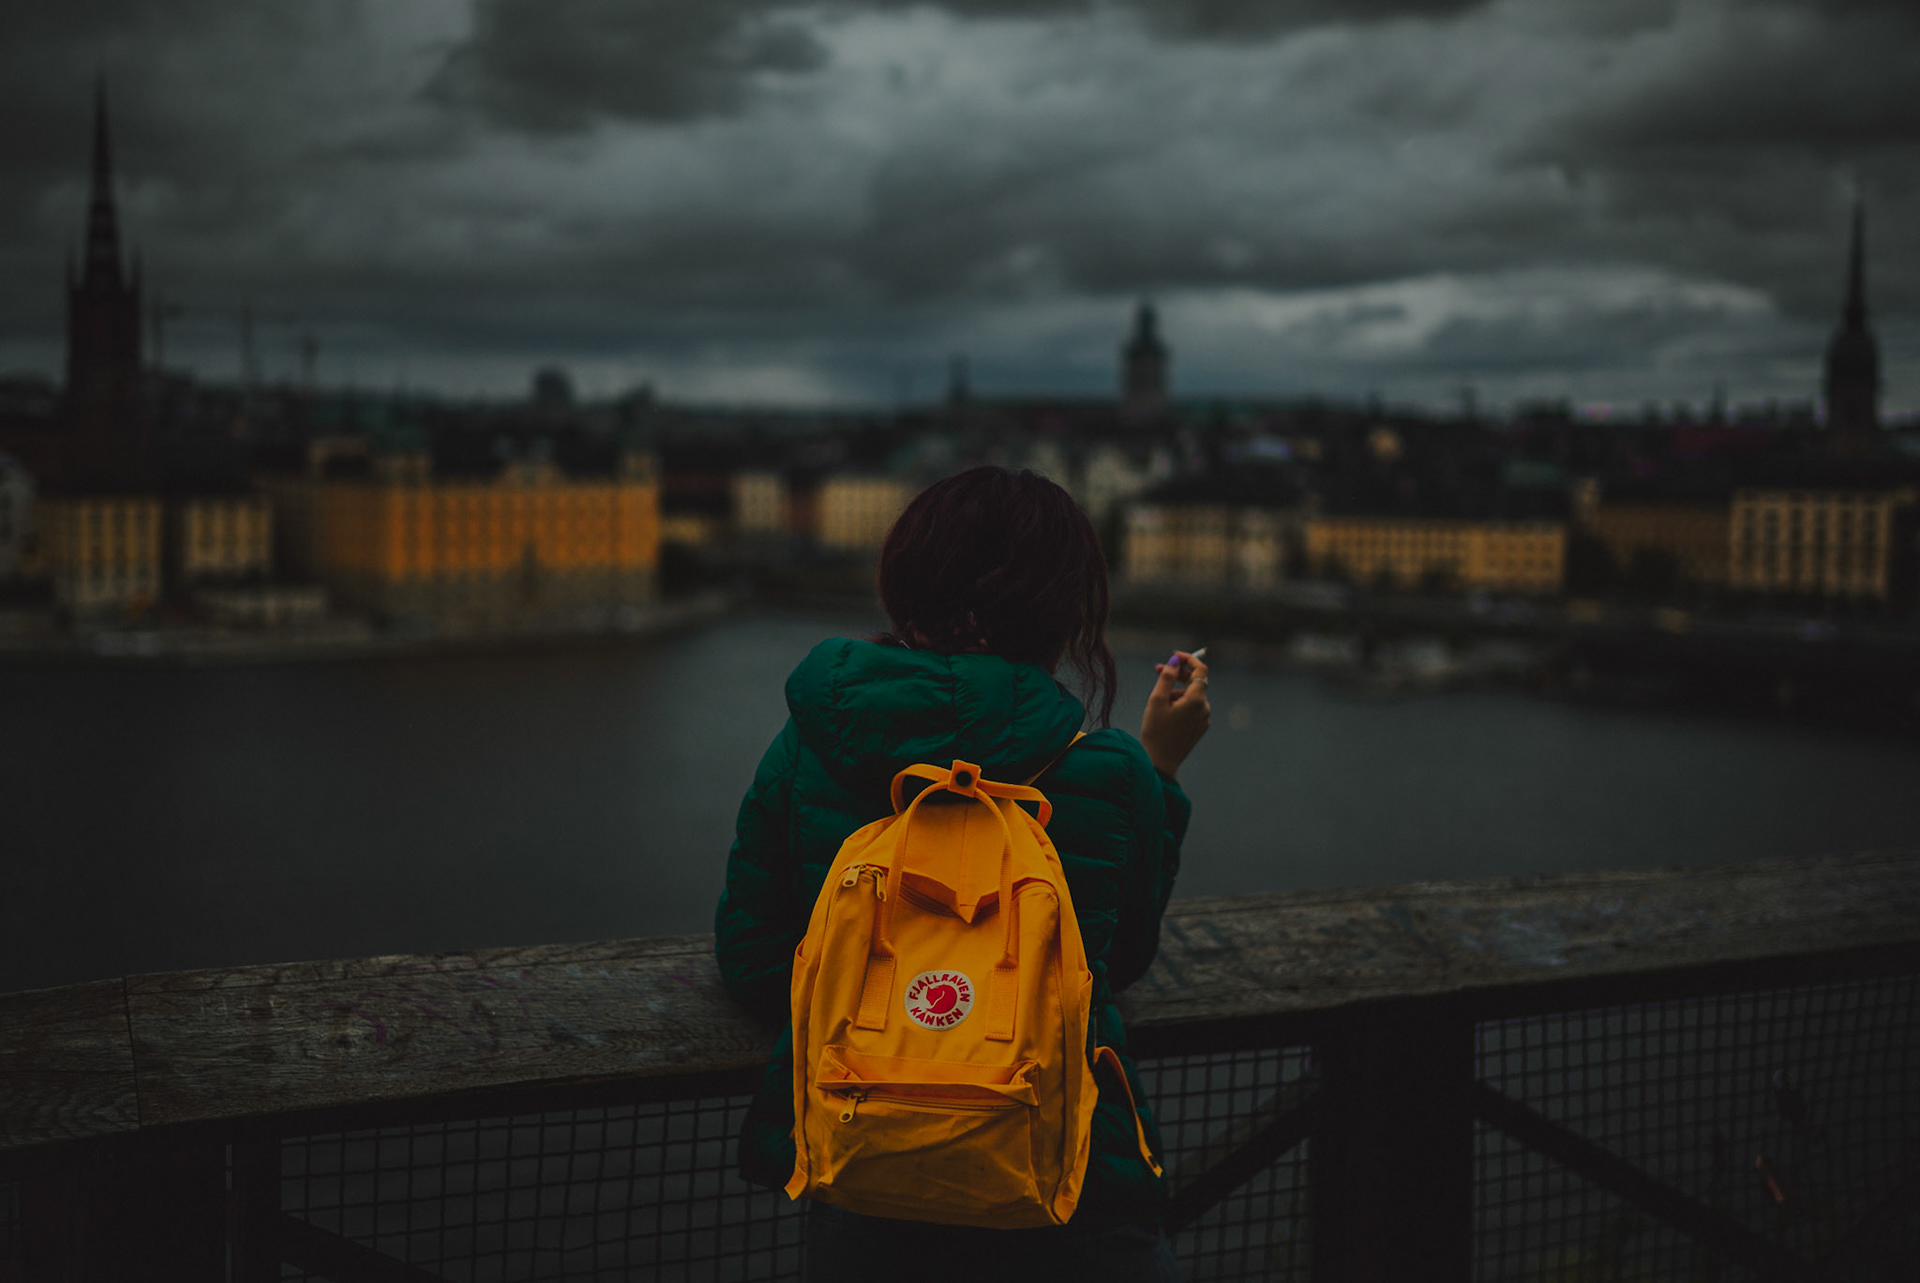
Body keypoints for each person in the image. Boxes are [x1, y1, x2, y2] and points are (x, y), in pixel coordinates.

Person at [714, 465, 1211, 1282]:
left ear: (906, 581)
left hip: (871, 1190)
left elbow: (755, 959)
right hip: (1070, 1191)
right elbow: (1111, 964)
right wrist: (1161, 770)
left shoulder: (809, 746)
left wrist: (906, 1036)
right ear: (1062, 608)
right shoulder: (1109, 770)